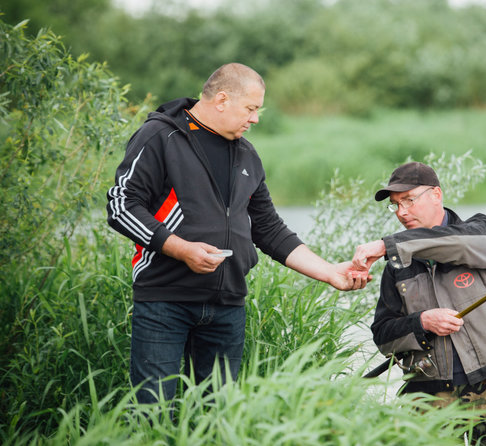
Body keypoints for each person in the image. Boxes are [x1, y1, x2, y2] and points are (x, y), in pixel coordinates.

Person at [106, 63, 367, 404]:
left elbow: (269, 229)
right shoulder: (161, 136)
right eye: (251, 108)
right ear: (222, 99)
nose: (256, 119)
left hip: (226, 305)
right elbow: (121, 205)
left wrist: (331, 272)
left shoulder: (246, 153)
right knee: (153, 414)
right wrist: (181, 249)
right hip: (164, 300)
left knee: (219, 419)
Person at [352, 162, 486, 445]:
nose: (401, 212)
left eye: (408, 200)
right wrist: (421, 322)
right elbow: (383, 335)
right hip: (428, 394)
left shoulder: (481, 234)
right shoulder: (397, 266)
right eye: (395, 205)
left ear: (436, 194)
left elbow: (450, 243)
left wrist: (387, 245)